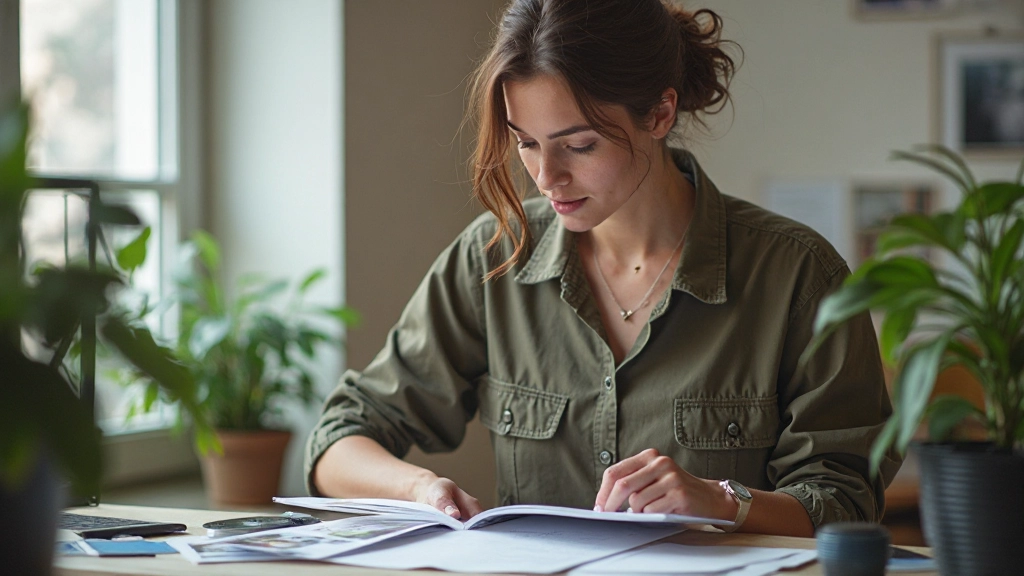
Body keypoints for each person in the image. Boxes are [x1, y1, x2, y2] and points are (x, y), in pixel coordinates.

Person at [306, 0, 901, 537]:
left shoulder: (798, 274)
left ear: (661, 112)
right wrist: (418, 490)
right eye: (526, 142)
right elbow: (339, 441)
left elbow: (846, 499)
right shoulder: (493, 258)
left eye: (580, 145)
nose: (546, 177)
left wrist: (721, 501)